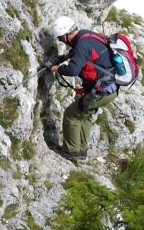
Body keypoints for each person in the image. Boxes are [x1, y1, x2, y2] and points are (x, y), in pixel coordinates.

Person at [48, 15, 120, 161]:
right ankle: (81, 151)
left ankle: (72, 151)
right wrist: (63, 58)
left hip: (101, 91)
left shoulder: (81, 45)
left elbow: (73, 70)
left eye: (61, 38)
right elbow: (80, 52)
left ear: (67, 34)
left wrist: (55, 68)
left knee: (71, 115)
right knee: (84, 115)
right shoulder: (86, 35)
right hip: (110, 88)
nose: (60, 40)